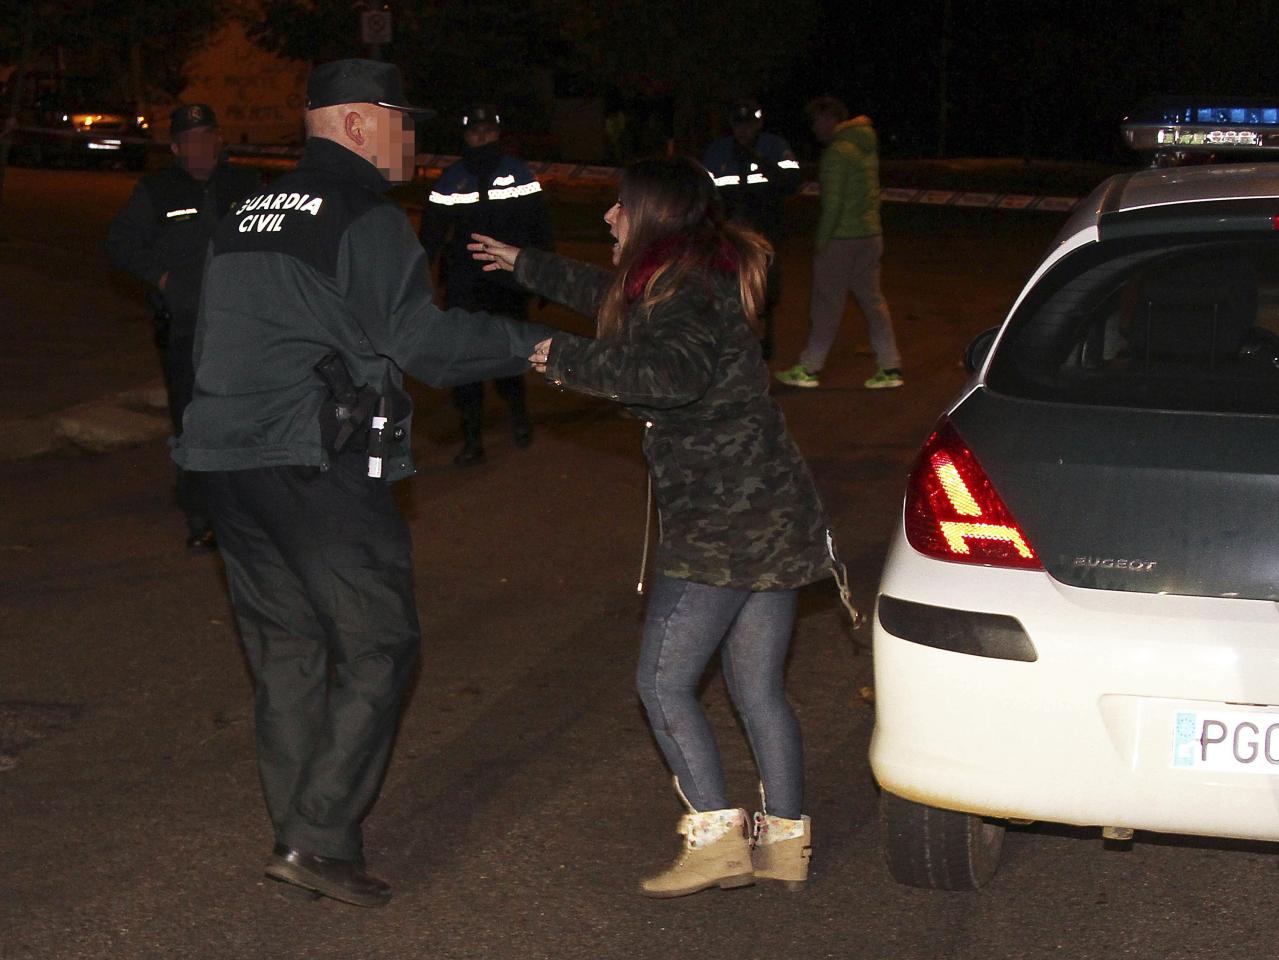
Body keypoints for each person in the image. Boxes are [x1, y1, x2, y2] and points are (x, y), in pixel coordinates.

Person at [172, 59, 556, 908]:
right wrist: (536, 347)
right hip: (314, 465)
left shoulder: (240, 212)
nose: (412, 138)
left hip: (224, 464)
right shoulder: (364, 218)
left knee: (289, 654)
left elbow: (195, 330)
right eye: (399, 120)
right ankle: (315, 841)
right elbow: (425, 343)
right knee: (380, 646)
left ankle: (303, 835)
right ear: (354, 123)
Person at [470, 156, 840, 898]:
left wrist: (562, 357)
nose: (609, 217)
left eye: (619, 206)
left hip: (722, 522)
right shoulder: (688, 278)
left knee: (663, 683)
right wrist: (526, 266)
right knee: (756, 687)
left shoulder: (687, 292)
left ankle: (716, 840)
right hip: (771, 510)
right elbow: (615, 300)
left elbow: (674, 374)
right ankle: (787, 841)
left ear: (655, 217)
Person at [106, 103, 263, 550]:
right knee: (195, 422)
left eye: (207, 136)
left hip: (245, 326)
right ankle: (202, 516)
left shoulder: (245, 184)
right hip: (187, 327)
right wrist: (162, 279)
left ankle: (250, 510)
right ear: (176, 147)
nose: (201, 147)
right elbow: (120, 243)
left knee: (247, 418)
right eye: (190, 140)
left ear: (218, 139)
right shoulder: (157, 191)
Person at [419, 104, 553, 465]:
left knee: (509, 353)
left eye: (488, 132)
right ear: (465, 136)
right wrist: (419, 281)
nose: (482, 138)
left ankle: (519, 416)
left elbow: (539, 227)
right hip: (465, 282)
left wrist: (544, 280)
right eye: (475, 132)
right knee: (465, 360)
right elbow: (430, 234)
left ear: (498, 134)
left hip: (507, 283)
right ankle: (472, 440)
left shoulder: (519, 173)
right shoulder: (451, 178)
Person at [775, 96, 902, 390]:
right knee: (873, 302)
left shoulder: (837, 152)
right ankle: (890, 366)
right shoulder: (865, 146)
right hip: (870, 235)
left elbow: (832, 204)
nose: (814, 128)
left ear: (829, 119)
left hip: (841, 239)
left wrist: (821, 241)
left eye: (816, 121)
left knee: (825, 304)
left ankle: (809, 368)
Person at [702, 99, 801, 359]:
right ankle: (730, 343)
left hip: (766, 230)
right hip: (729, 231)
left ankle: (764, 340)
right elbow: (704, 193)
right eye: (738, 124)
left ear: (759, 124)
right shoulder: (718, 151)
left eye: (749, 124)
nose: (743, 130)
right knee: (727, 288)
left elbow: (792, 182)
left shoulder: (774, 146)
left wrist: (761, 162)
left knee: (765, 287)